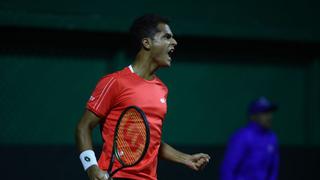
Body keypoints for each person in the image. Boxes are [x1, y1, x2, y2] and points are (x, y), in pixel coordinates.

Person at [75, 14, 210, 180]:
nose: (174, 42)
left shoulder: (161, 89)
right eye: (167, 37)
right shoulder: (114, 82)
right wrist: (91, 167)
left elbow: (149, 141)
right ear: (146, 43)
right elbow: (83, 127)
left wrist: (186, 159)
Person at [220, 97, 279, 180]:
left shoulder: (272, 138)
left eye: (270, 112)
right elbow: (228, 169)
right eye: (264, 113)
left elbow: (273, 170)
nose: (269, 116)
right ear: (253, 116)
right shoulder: (242, 137)